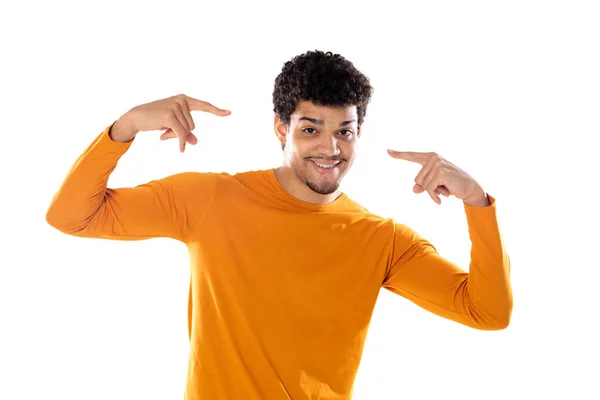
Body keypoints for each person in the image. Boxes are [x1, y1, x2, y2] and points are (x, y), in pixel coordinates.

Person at [46, 50, 512, 399]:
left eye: (343, 131)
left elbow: (488, 312)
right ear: (280, 128)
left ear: (358, 134)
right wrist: (124, 126)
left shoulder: (381, 240)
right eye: (311, 128)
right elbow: (71, 216)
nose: (330, 147)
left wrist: (477, 201)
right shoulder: (212, 199)